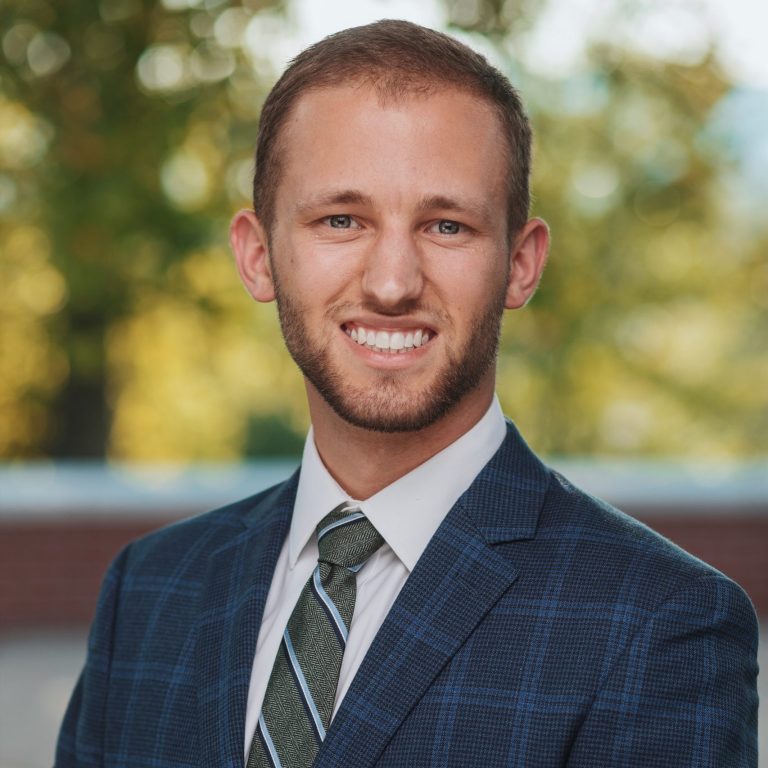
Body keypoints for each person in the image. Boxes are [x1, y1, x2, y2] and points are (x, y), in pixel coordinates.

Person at [56, 19, 758, 768]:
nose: (393, 283)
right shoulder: (150, 591)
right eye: (341, 220)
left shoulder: (660, 624)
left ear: (521, 265)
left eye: (447, 226)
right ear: (258, 256)